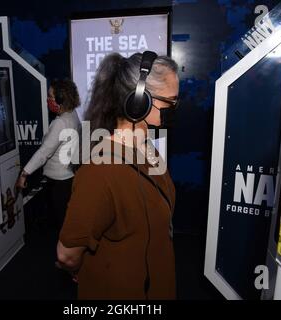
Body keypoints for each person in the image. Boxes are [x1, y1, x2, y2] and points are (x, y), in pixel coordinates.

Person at [56, 52, 179, 299]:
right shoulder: (99, 172)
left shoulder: (148, 149)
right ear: (140, 101)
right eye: (171, 102)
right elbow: (66, 255)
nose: (175, 108)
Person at [16, 79, 81, 233]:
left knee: (61, 224)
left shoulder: (60, 123)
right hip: (69, 177)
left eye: (50, 96)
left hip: (59, 183)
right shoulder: (73, 114)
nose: (48, 100)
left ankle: (64, 256)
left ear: (60, 99)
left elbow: (44, 152)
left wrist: (24, 173)